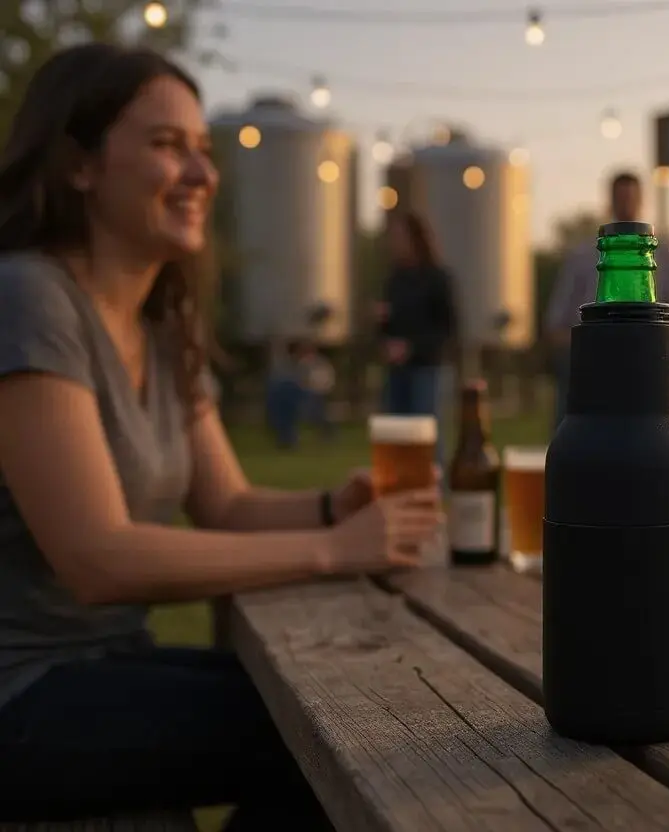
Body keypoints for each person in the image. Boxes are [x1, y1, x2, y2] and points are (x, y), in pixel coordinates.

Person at [0, 44, 442, 826]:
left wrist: (331, 508)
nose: (204, 175)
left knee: (353, 702)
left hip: (113, 661)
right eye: (169, 146)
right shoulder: (30, 297)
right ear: (79, 165)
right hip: (25, 686)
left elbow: (228, 503)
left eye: (204, 150)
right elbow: (97, 556)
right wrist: (337, 550)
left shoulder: (164, 323)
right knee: (343, 738)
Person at [543, 169, 669, 429]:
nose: (625, 204)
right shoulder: (582, 255)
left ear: (641, 200)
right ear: (609, 200)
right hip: (589, 375)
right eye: (620, 197)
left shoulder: (668, 255)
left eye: (631, 197)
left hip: (646, 374)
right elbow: (554, 325)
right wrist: (597, 346)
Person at [377, 209, 458, 467]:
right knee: (396, 434)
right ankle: (400, 488)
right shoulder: (395, 279)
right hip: (397, 371)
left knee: (425, 434)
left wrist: (411, 347)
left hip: (426, 368)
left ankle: (432, 487)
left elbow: (448, 329)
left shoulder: (437, 278)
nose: (395, 242)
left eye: (400, 235)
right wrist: (383, 326)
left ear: (416, 238)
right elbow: (389, 326)